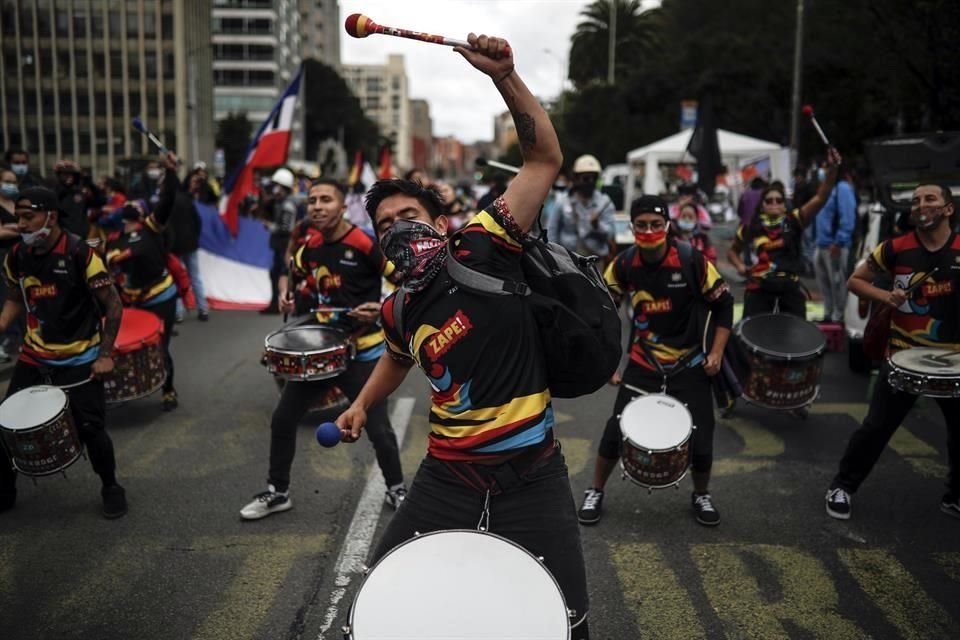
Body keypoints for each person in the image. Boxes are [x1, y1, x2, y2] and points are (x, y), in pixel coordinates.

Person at [337, 33, 590, 639]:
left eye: (409, 216)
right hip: (446, 476)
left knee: (568, 619)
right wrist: (362, 402)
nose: (398, 229)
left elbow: (543, 160)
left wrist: (504, 77)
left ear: (441, 222)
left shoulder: (483, 245)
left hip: (532, 472)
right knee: (381, 604)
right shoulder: (399, 308)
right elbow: (397, 359)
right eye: (385, 225)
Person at [240, 178, 406, 520]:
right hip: (323, 351)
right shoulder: (311, 245)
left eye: (326, 200)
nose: (317, 206)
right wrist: (287, 291)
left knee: (379, 430)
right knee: (283, 419)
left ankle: (397, 489)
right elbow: (292, 270)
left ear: (343, 207)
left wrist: (381, 307)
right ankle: (278, 492)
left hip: (362, 351)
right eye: (312, 200)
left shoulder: (364, 242)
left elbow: (406, 281)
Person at [578, 195, 734, 527]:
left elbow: (724, 304)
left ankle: (701, 494)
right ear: (632, 228)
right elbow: (604, 314)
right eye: (642, 225)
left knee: (702, 435)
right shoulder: (623, 264)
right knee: (615, 428)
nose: (649, 231)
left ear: (667, 226)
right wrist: (609, 362)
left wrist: (717, 352)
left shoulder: (692, 260)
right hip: (644, 362)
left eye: (656, 224)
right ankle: (595, 490)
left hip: (690, 363)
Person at [826, 183, 960, 521]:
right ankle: (842, 486)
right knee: (875, 428)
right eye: (915, 201)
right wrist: (886, 297)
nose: (921, 205)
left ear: (948, 209)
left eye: (930, 199)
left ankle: (955, 496)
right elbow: (855, 281)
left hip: (953, 363)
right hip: (903, 357)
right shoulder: (896, 247)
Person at [0, 186, 127, 517]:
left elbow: (113, 306)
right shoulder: (17, 256)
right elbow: (14, 298)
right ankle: (5, 488)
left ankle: (111, 486)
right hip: (34, 355)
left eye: (28, 217)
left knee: (91, 428)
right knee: (6, 424)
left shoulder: (81, 254)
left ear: (51, 217)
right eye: (18, 217)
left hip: (80, 358)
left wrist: (104, 355)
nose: (21, 224)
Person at [103, 153, 181, 411]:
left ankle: (168, 389)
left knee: (160, 344)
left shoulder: (151, 228)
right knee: (125, 345)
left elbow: (167, 200)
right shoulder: (113, 240)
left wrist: (171, 173)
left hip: (160, 296)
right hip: (130, 299)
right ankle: (128, 387)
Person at [726, 148, 842, 319]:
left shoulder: (794, 220)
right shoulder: (750, 227)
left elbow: (820, 198)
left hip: (790, 288)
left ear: (784, 205)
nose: (774, 203)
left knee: (795, 332)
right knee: (753, 331)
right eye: (769, 200)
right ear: (762, 205)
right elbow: (732, 251)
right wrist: (740, 266)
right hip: (758, 288)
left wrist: (832, 171)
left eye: (779, 200)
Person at [547, 154, 615, 263]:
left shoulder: (604, 202)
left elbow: (610, 233)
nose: (590, 182)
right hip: (568, 260)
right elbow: (552, 231)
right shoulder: (563, 201)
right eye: (586, 178)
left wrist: (597, 226)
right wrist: (554, 257)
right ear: (576, 178)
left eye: (594, 178)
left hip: (595, 261)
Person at [813, 166, 857, 323]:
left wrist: (839, 241)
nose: (822, 170)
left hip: (835, 245)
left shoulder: (842, 188)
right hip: (821, 243)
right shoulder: (825, 189)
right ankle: (829, 312)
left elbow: (848, 217)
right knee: (824, 282)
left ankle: (839, 316)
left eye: (826, 166)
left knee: (837, 283)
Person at [172, 174, 209, 322]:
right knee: (195, 276)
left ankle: (178, 312)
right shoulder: (188, 201)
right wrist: (194, 237)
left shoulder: (169, 202)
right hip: (191, 244)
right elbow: (197, 222)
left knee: (177, 278)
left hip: (175, 246)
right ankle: (203, 308)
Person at [262, 167, 299, 314]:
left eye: (277, 185)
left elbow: (286, 228)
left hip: (285, 244)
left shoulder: (288, 205)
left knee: (281, 274)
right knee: (277, 273)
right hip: (280, 244)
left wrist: (270, 226)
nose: (274, 189)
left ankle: (279, 302)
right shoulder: (280, 202)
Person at [0, 167, 23, 361]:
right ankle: (6, 340)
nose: (12, 185)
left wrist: (11, 227)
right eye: (7, 181)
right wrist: (18, 229)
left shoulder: (16, 204)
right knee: (6, 297)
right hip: (3, 256)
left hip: (20, 255)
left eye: (14, 182)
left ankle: (19, 339)